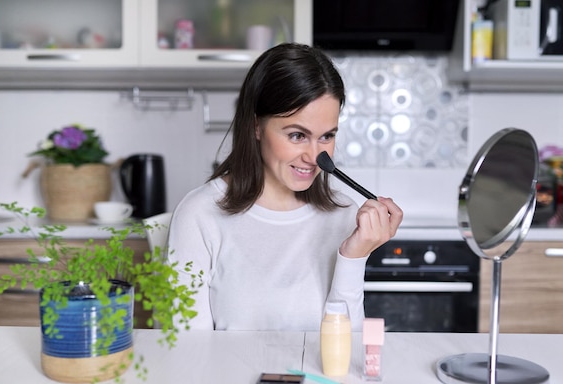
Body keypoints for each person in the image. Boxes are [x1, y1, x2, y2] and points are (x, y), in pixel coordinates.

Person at [167, 43, 403, 331]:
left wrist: (354, 257)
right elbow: (188, 350)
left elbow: (346, 351)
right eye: (297, 135)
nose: (315, 156)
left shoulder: (344, 216)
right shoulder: (199, 214)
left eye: (327, 136)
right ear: (256, 126)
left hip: (319, 378)